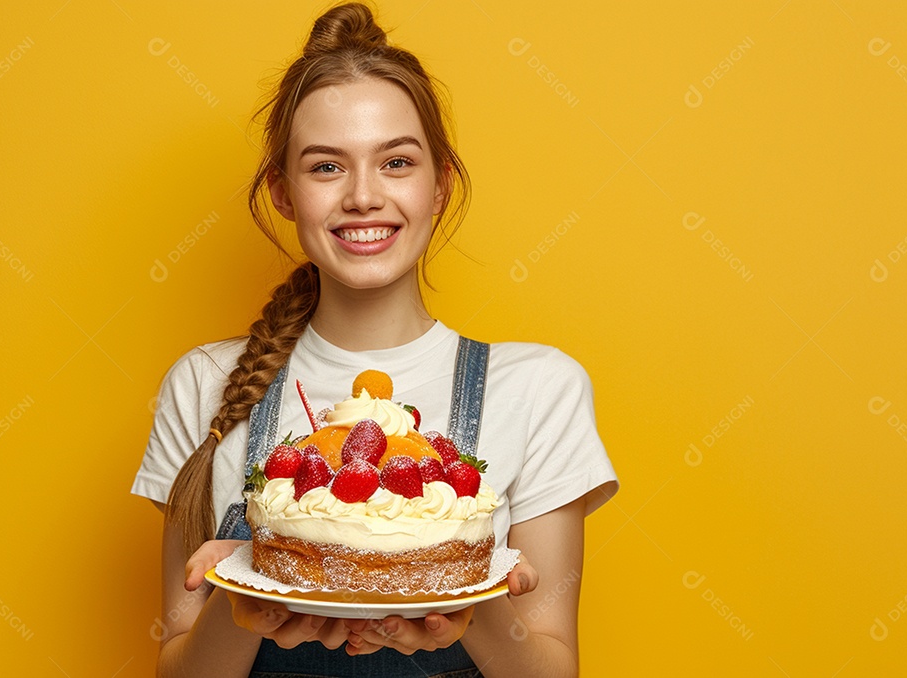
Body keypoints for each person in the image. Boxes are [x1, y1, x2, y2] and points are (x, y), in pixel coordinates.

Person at [130, 3, 618, 676]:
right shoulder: (205, 381)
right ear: (282, 190)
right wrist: (241, 599)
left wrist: (470, 605)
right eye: (326, 167)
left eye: (395, 162)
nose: (362, 196)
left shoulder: (538, 388)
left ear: (440, 182)